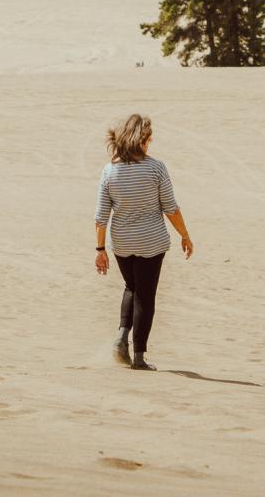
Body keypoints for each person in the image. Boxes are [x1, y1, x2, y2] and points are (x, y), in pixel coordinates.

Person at [94, 113, 193, 370]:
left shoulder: (109, 170)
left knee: (131, 287)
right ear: (143, 140)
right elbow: (170, 208)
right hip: (151, 243)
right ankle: (138, 357)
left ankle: (120, 336)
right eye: (149, 137)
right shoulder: (156, 168)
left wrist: (100, 249)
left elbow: (100, 217)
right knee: (145, 297)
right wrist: (185, 234)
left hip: (122, 243)